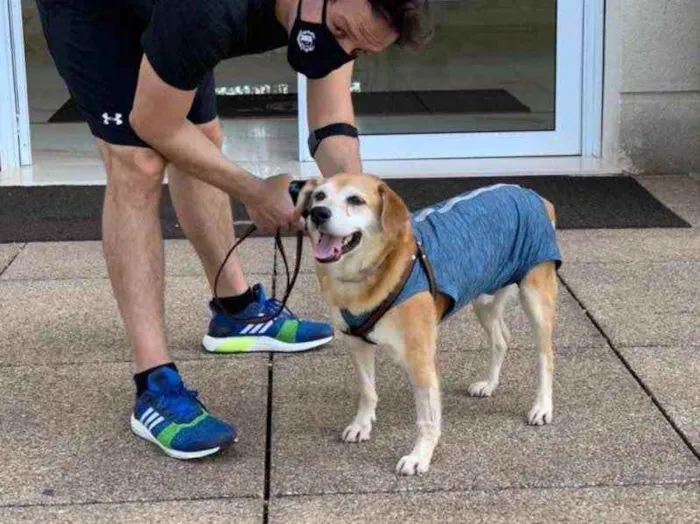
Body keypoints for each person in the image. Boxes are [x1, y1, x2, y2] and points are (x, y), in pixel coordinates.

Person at [36, 0, 433, 459]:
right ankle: (154, 386)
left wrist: (355, 217)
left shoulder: (342, 14)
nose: (341, 47)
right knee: (138, 161)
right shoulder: (208, 11)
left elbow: (331, 123)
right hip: (95, 12)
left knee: (202, 137)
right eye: (341, 30)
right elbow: (154, 122)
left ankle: (235, 311)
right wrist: (255, 189)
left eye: (358, 49)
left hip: (172, 15)